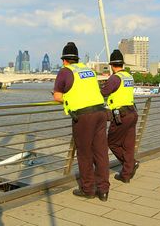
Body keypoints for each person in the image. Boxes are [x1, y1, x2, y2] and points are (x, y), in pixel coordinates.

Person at [53, 42, 110, 201]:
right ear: (77, 59)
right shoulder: (88, 70)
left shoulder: (65, 72)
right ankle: (103, 189)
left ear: (64, 60)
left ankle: (88, 189)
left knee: (84, 153)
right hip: (100, 112)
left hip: (84, 116)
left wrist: (67, 98)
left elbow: (57, 96)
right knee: (100, 152)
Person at [101, 49, 139, 183]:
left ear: (112, 65)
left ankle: (130, 164)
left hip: (121, 116)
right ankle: (126, 175)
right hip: (132, 113)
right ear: (122, 64)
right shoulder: (129, 76)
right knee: (128, 145)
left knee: (112, 142)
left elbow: (104, 92)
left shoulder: (115, 78)